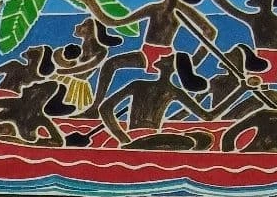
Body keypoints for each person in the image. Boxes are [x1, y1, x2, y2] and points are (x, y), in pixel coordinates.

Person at [75, 0, 217, 118]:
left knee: (113, 65)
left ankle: (189, 100)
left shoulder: (181, 10)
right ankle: (94, 109)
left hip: (164, 56)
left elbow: (210, 32)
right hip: (146, 53)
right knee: (110, 64)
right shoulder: (153, 9)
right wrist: (92, 4)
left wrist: (196, 59)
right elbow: (115, 22)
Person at [99, 52, 237, 150]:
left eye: (168, 56)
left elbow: (105, 108)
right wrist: (122, 138)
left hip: (147, 139)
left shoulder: (144, 86)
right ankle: (134, 146)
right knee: (192, 142)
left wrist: (122, 137)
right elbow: (105, 108)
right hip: (141, 140)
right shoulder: (164, 89)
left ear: (171, 66)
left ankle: (135, 145)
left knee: (203, 139)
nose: (162, 55)